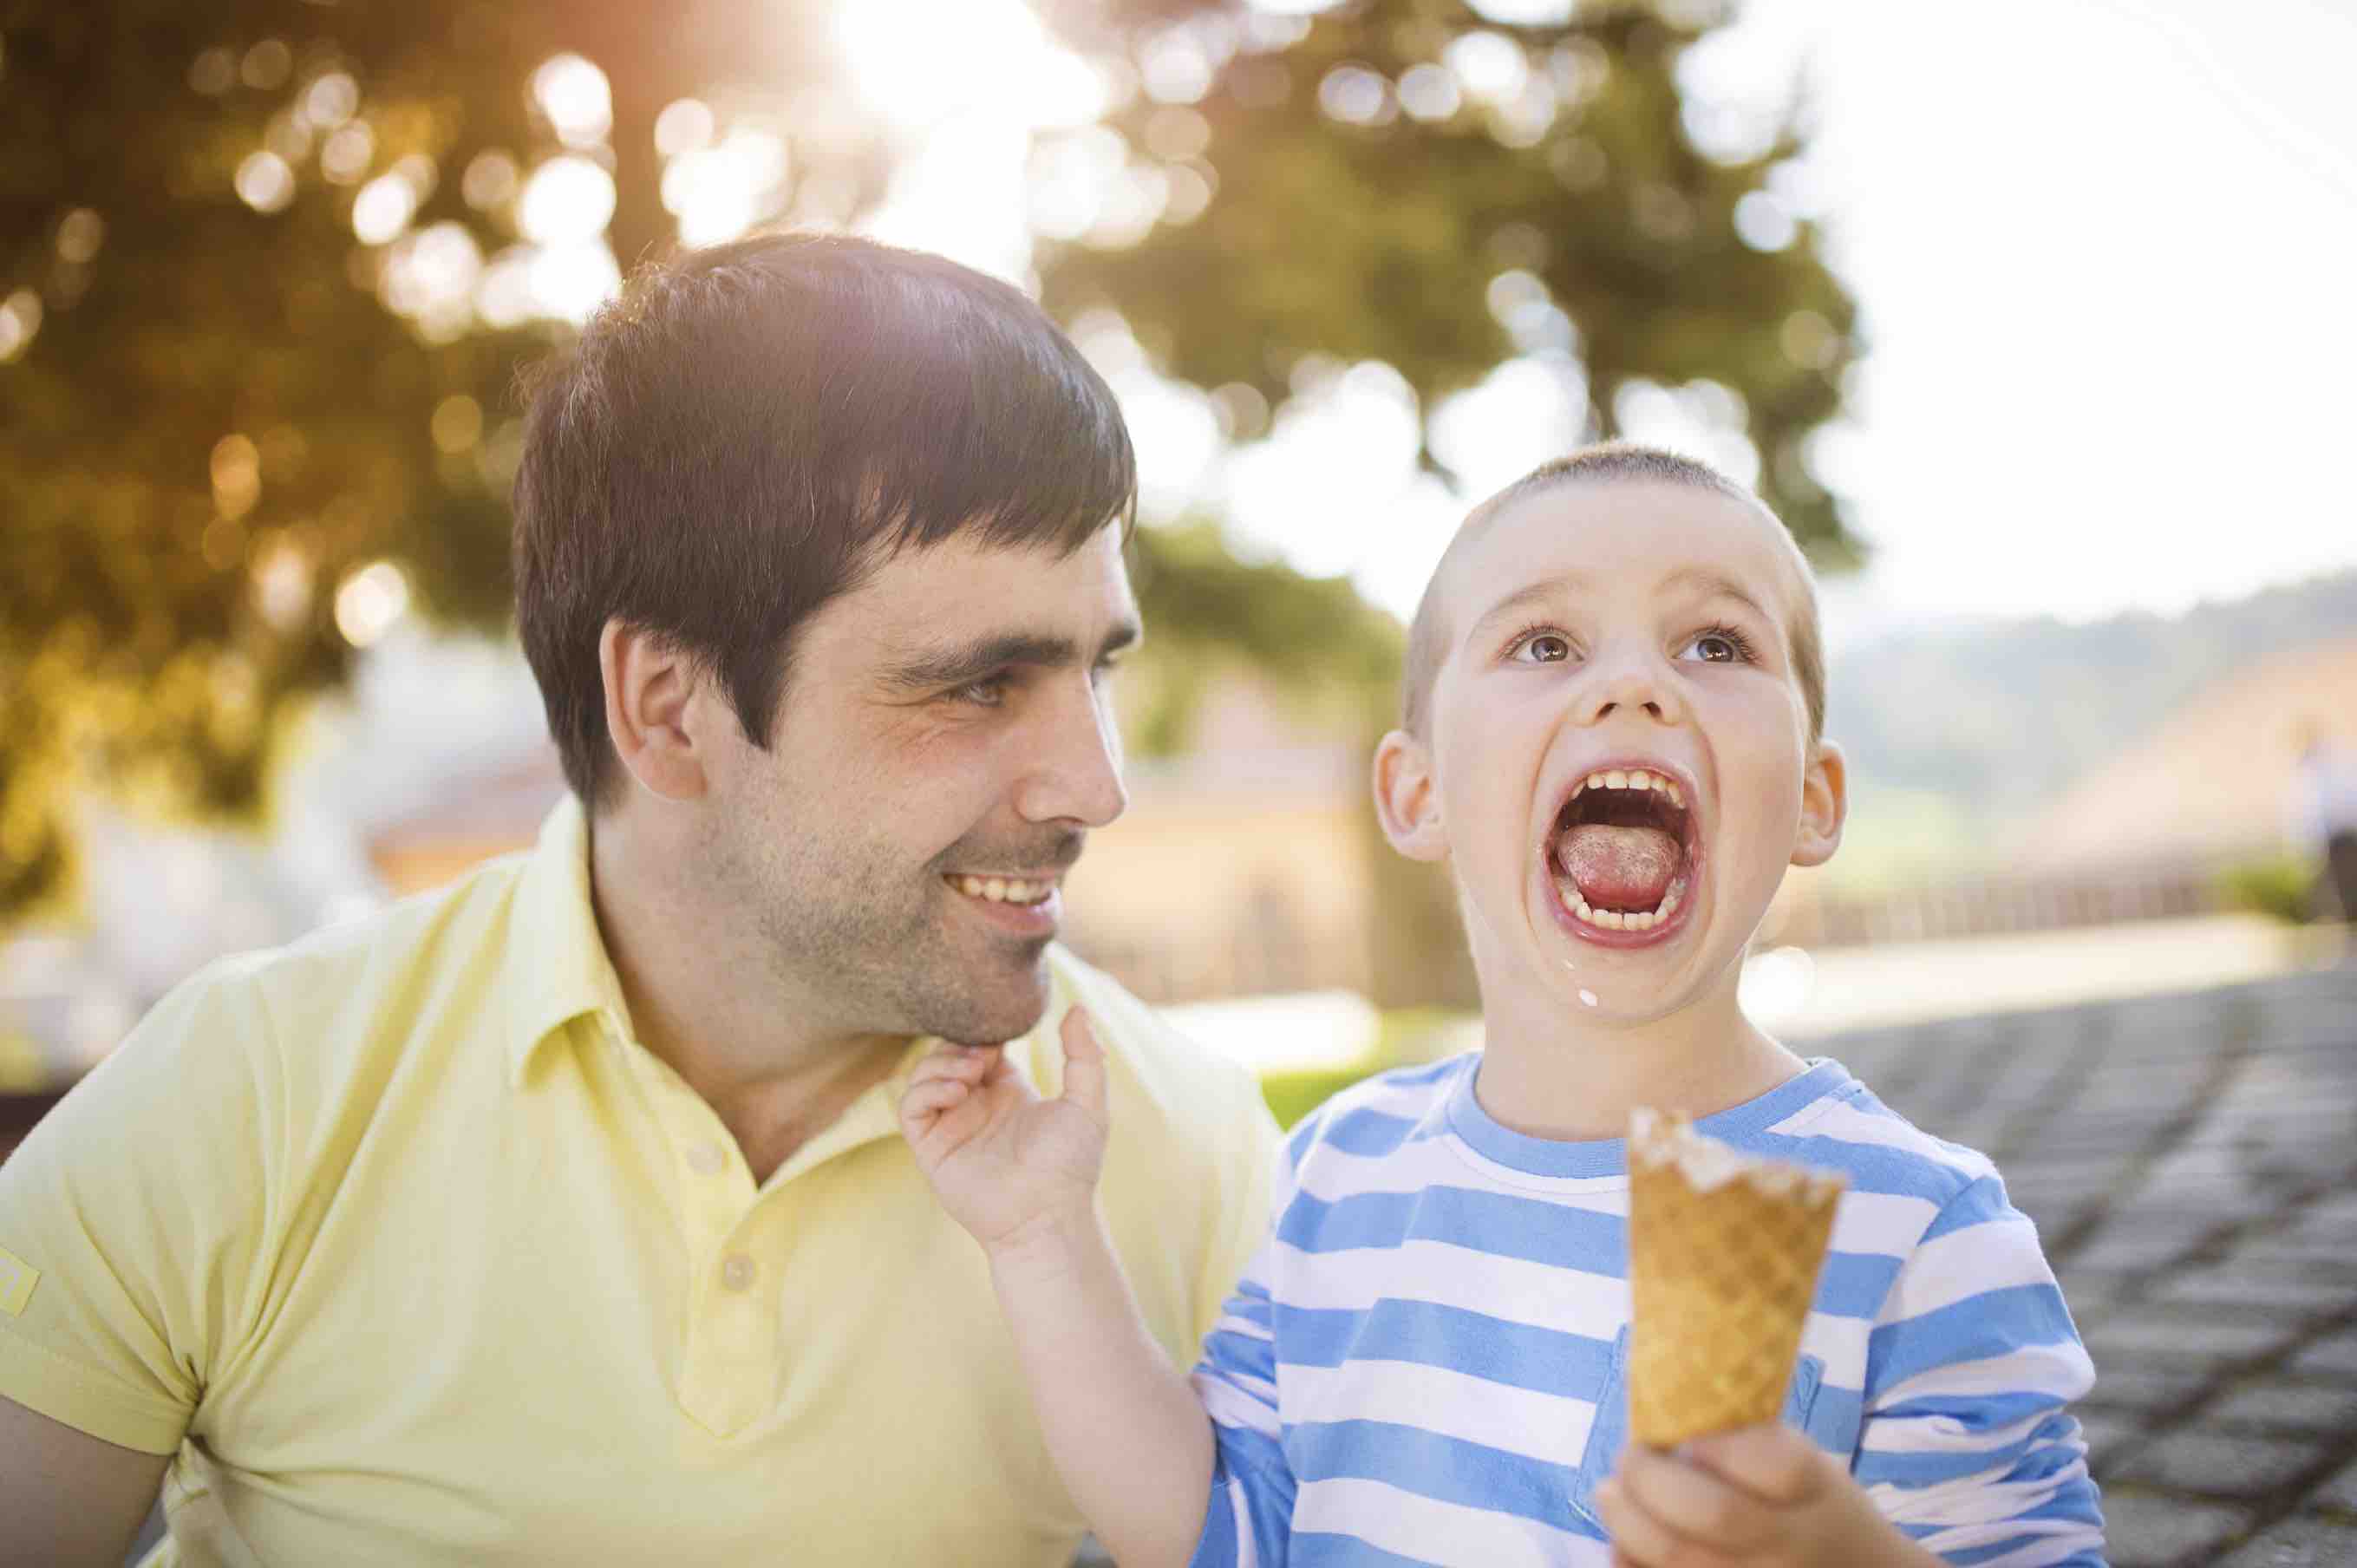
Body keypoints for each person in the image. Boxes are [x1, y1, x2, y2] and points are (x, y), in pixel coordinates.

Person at [0, 234, 1280, 1566]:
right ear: (668, 710)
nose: (1093, 786)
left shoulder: (1190, 1157)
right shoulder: (249, 1098)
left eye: (1097, 671)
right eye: (977, 685)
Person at [901, 446, 2106, 1567]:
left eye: (1716, 647)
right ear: (1417, 793)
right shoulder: (1339, 1179)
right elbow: (1216, 1531)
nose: (1633, 685)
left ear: (1813, 800)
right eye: (1542, 646)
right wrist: (1038, 1235)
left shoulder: (1923, 1236)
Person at [2288, 717, 2357, 926]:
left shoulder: (2323, 767)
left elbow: (2314, 813)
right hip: (2336, 841)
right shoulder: (2309, 770)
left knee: (2347, 891)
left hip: (2341, 838)